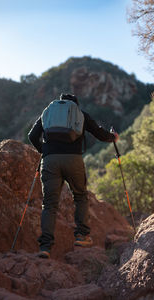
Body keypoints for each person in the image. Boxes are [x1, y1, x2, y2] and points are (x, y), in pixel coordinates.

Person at [28, 93, 119, 259]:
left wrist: (45, 151)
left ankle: (45, 247)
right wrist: (113, 137)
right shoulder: (80, 114)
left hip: (50, 161)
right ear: (75, 105)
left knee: (49, 204)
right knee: (80, 196)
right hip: (73, 160)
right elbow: (99, 133)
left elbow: (32, 136)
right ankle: (82, 236)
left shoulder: (48, 112)